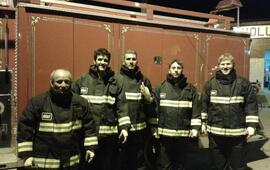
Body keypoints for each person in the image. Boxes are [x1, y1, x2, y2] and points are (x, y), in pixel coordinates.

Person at [17, 69, 98, 170]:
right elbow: (25, 128)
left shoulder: (80, 103)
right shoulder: (38, 103)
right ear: (51, 83)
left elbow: (89, 126)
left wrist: (90, 148)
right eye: (59, 81)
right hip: (44, 163)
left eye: (67, 82)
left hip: (71, 162)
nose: (63, 85)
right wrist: (26, 155)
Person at [72, 48, 131, 170]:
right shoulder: (81, 81)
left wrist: (124, 128)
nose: (102, 62)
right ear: (94, 61)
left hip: (108, 137)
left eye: (105, 60)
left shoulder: (116, 81)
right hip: (87, 135)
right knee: (87, 165)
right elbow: (72, 105)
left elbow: (122, 106)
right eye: (99, 59)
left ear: (108, 62)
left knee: (106, 165)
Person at [201, 53, 259, 170]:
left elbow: (251, 105)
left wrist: (252, 126)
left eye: (228, 64)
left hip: (237, 134)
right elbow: (204, 105)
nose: (225, 66)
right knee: (217, 166)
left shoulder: (243, 84)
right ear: (218, 66)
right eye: (222, 64)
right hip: (216, 134)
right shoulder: (210, 84)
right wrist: (203, 123)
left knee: (238, 166)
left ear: (233, 65)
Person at [153, 59, 201, 170]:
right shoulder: (161, 88)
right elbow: (154, 110)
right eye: (173, 68)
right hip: (165, 134)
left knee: (181, 164)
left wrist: (195, 128)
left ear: (182, 70)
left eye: (178, 68)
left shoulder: (190, 89)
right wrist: (154, 127)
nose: (176, 70)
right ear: (169, 70)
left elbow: (196, 110)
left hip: (183, 134)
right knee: (165, 165)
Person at [115, 49, 155, 170]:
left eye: (133, 59)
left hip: (139, 131)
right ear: (123, 62)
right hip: (121, 130)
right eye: (128, 59)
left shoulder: (144, 80)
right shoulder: (116, 79)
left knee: (139, 162)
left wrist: (148, 97)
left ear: (137, 61)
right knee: (121, 161)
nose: (131, 62)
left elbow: (150, 104)